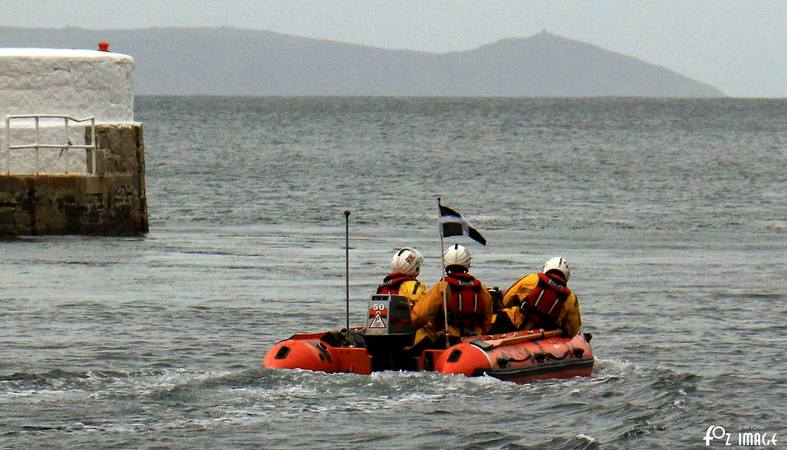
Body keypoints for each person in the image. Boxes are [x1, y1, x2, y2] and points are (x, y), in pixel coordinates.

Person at [410, 244, 493, 346]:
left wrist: (408, 326)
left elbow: (421, 314)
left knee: (422, 331)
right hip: (474, 339)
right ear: (468, 263)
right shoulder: (481, 289)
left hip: (448, 339)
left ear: (446, 262)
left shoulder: (442, 287)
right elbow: (487, 320)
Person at [496, 256, 582, 336]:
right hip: (541, 330)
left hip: (512, 323)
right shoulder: (571, 297)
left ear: (547, 268)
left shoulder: (532, 279)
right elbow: (573, 329)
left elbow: (506, 299)